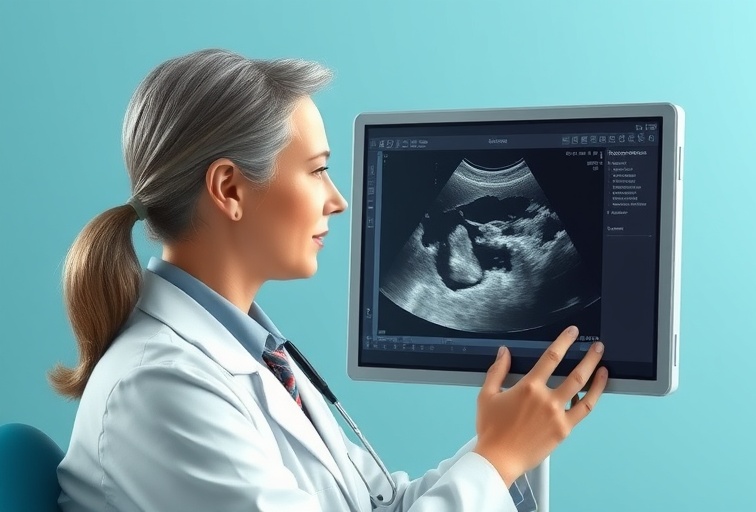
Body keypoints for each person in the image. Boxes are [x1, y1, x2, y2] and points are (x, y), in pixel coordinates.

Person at [49, 48, 608, 512]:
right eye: (317, 169)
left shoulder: (260, 357)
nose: (338, 200)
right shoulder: (160, 388)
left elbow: (377, 505)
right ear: (229, 189)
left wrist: (510, 443)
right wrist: (498, 459)